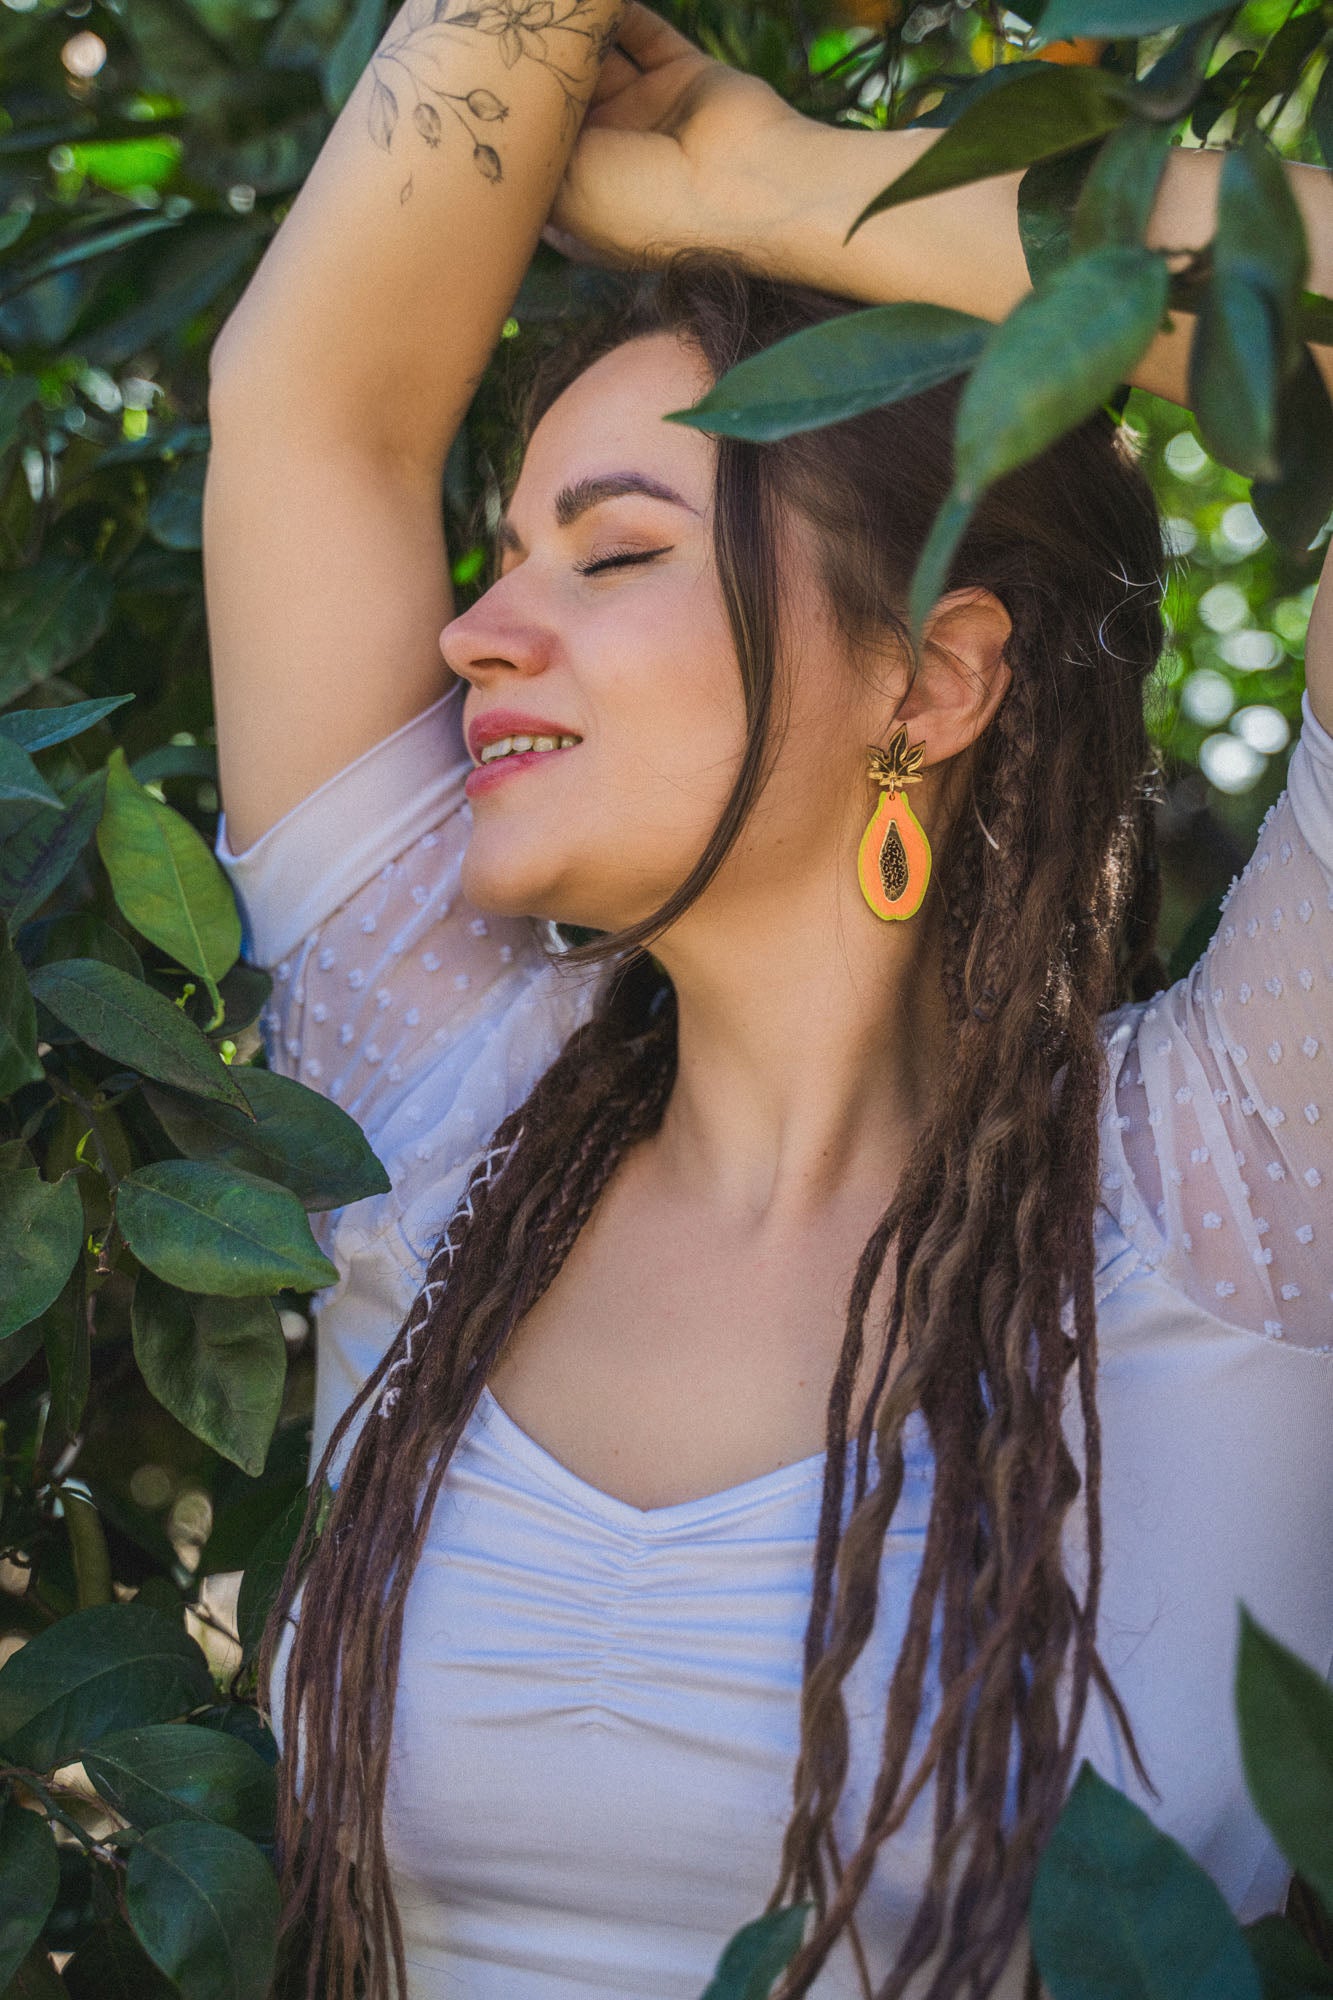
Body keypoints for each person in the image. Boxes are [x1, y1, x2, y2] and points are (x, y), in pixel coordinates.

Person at [202, 5, 1333, 1996]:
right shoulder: (435, 1118)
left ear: (935, 674)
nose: (476, 628)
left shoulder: (1217, 1188)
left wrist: (785, 194)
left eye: (611, 550)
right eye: (499, 552)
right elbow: (316, 414)